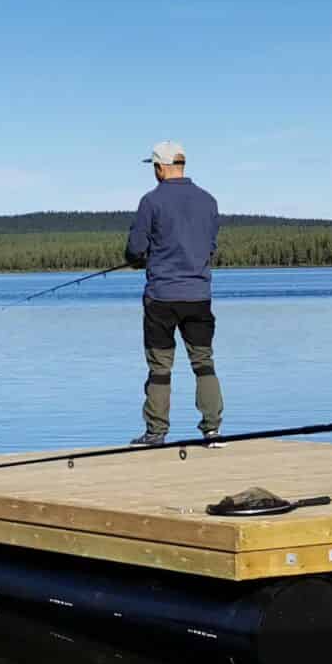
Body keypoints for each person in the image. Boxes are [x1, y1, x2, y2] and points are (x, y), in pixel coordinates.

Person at [123, 142, 222, 447]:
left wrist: (141, 259)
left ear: (161, 167)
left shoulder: (151, 202)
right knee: (203, 362)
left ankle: (156, 432)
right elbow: (210, 246)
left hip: (162, 297)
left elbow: (135, 251)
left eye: (153, 167)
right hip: (198, 295)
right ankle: (212, 430)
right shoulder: (209, 201)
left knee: (159, 366)